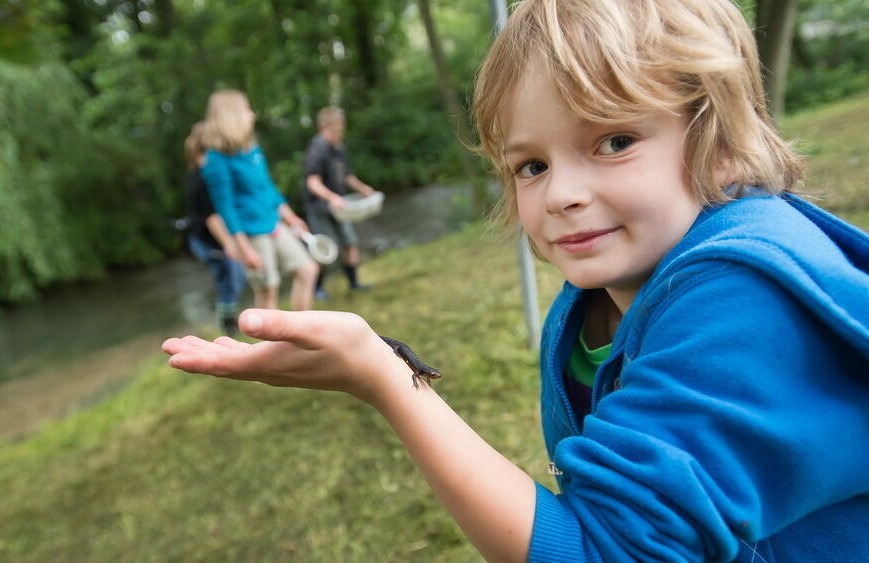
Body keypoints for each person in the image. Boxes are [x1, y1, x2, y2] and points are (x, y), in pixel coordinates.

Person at [162, 1, 869, 561]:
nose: (561, 192)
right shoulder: (592, 300)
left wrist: (385, 379)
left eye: (614, 141)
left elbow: (601, 549)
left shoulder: (742, 299)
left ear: (717, 146)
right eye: (530, 164)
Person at [198, 90, 319, 311]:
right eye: (246, 110)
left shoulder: (252, 149)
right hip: (252, 234)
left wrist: (291, 217)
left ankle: (302, 335)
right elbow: (226, 208)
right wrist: (244, 249)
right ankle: (271, 345)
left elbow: (268, 188)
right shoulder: (215, 160)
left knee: (308, 269)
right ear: (230, 116)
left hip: (273, 222)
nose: (252, 115)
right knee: (268, 289)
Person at [303, 107, 377, 300]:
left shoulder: (339, 148)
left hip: (341, 208)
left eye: (341, 130)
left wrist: (363, 189)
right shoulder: (316, 149)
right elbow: (312, 183)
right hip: (320, 208)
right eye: (335, 130)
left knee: (350, 242)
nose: (339, 134)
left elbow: (347, 176)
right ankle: (317, 289)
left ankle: (354, 283)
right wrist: (332, 197)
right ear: (324, 127)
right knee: (326, 249)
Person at [183, 122, 247, 336]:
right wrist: (230, 244)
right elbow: (211, 217)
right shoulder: (204, 176)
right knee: (230, 280)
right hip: (209, 241)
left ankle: (228, 324)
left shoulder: (199, 171)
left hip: (206, 239)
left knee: (229, 280)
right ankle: (229, 329)